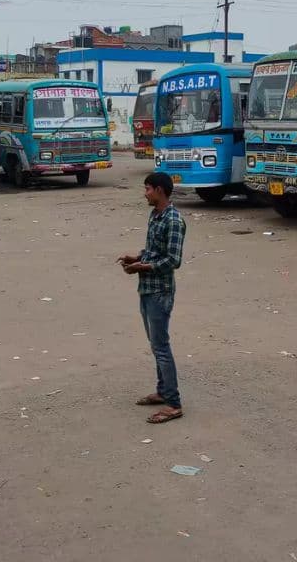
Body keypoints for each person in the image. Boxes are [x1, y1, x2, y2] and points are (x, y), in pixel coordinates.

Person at [117, 172, 187, 424]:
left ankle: (173, 403)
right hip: (147, 289)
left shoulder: (174, 220)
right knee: (156, 345)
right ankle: (163, 391)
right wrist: (136, 258)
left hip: (160, 291)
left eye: (147, 189)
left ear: (159, 190)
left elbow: (172, 260)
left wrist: (142, 268)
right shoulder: (155, 215)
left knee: (161, 347)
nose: (144, 193)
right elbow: (154, 251)